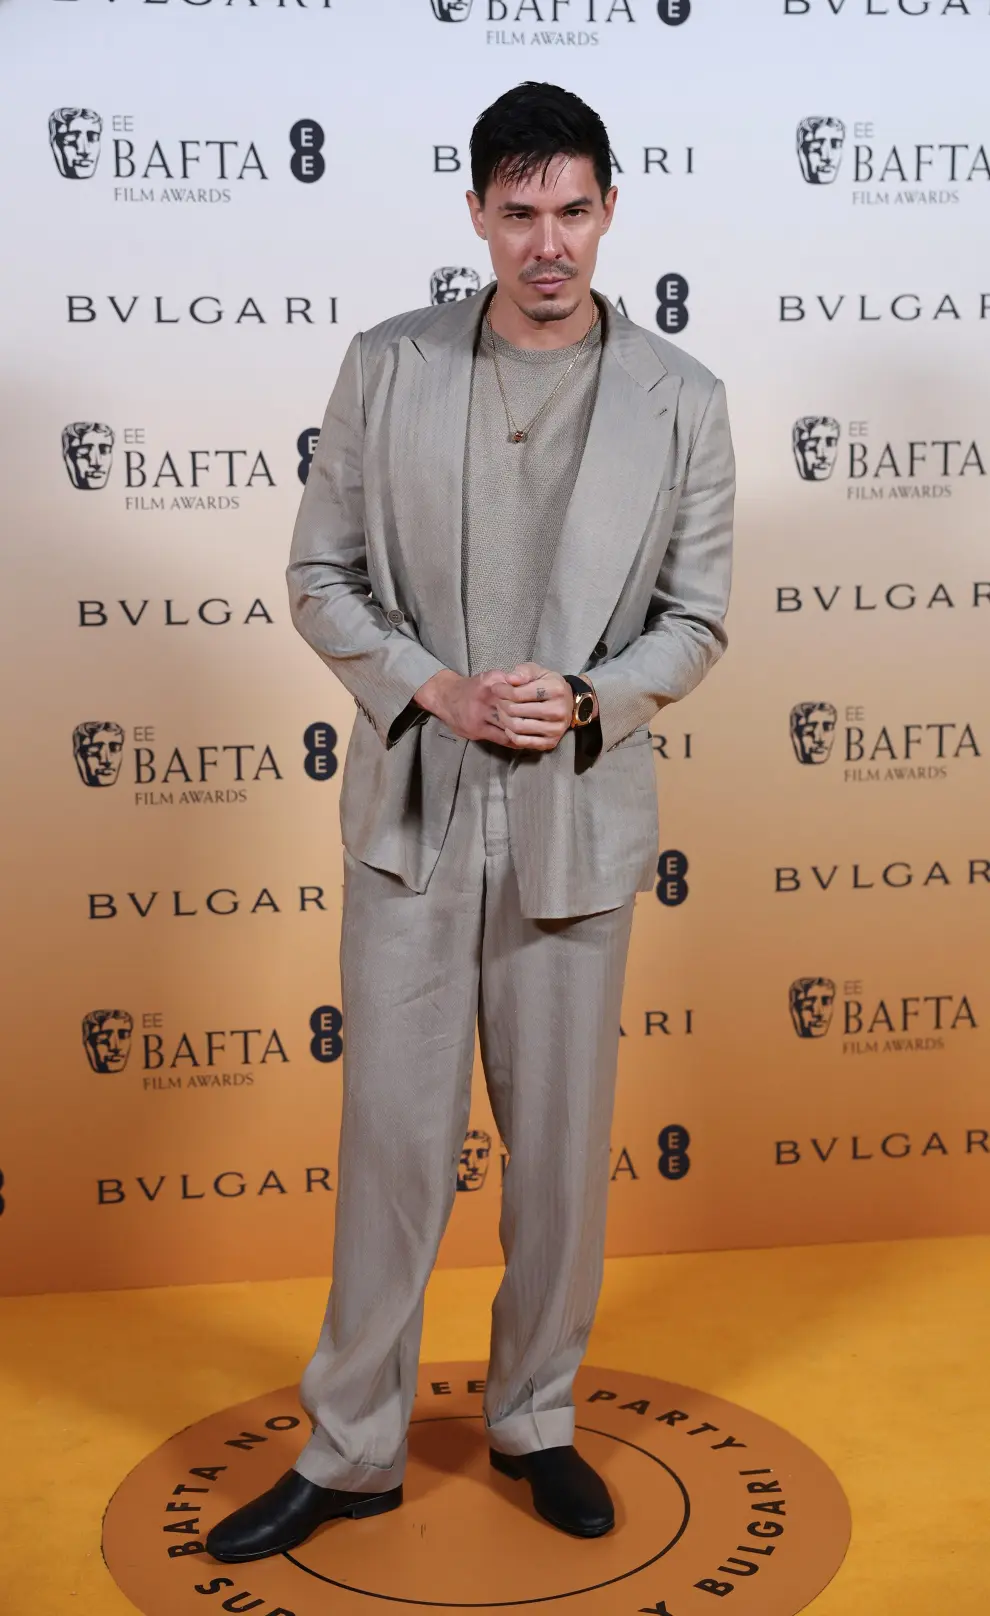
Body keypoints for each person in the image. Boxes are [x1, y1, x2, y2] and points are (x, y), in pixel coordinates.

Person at [206, 79, 734, 1564]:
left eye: (572, 209)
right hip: (414, 819)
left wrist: (576, 696)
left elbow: (694, 623)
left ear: (611, 208)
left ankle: (536, 1420)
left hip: (575, 821)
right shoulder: (387, 366)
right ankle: (351, 1445)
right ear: (477, 216)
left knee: (560, 1157)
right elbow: (318, 577)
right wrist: (434, 688)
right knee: (389, 1147)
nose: (546, 241)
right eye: (519, 212)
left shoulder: (683, 399)